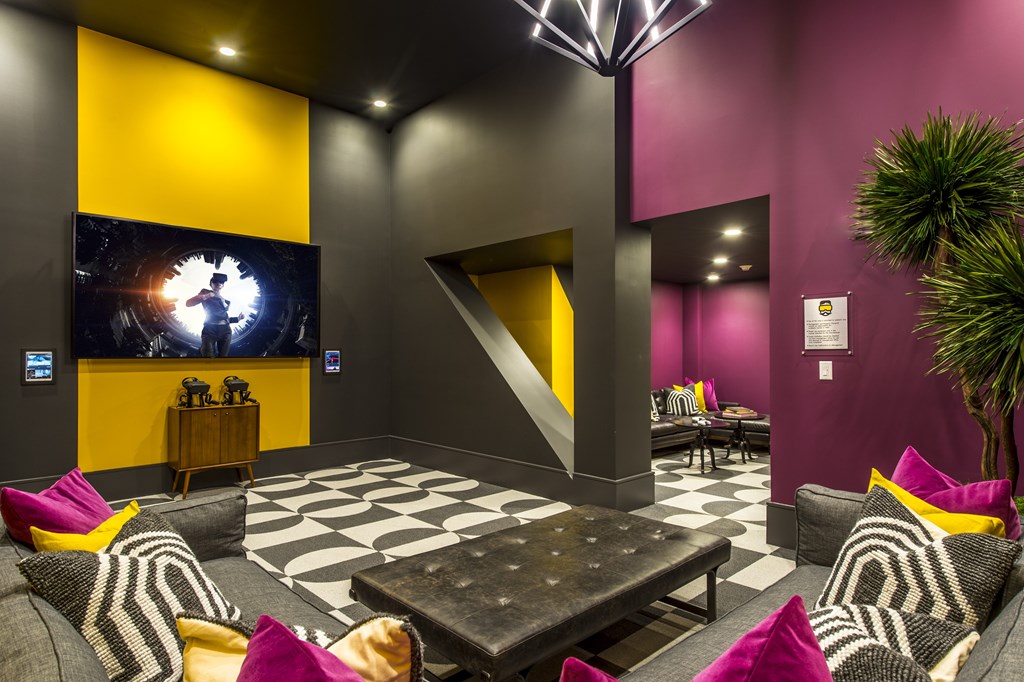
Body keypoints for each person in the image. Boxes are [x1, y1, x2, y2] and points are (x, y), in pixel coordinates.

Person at [185, 273, 247, 357]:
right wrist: (206, 296)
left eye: (221, 282)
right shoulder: (205, 292)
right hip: (210, 329)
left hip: (225, 330)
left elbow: (224, 317)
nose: (218, 283)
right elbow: (188, 303)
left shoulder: (226, 301)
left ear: (223, 285)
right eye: (215, 281)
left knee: (223, 357)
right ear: (210, 284)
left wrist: (238, 319)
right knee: (207, 355)